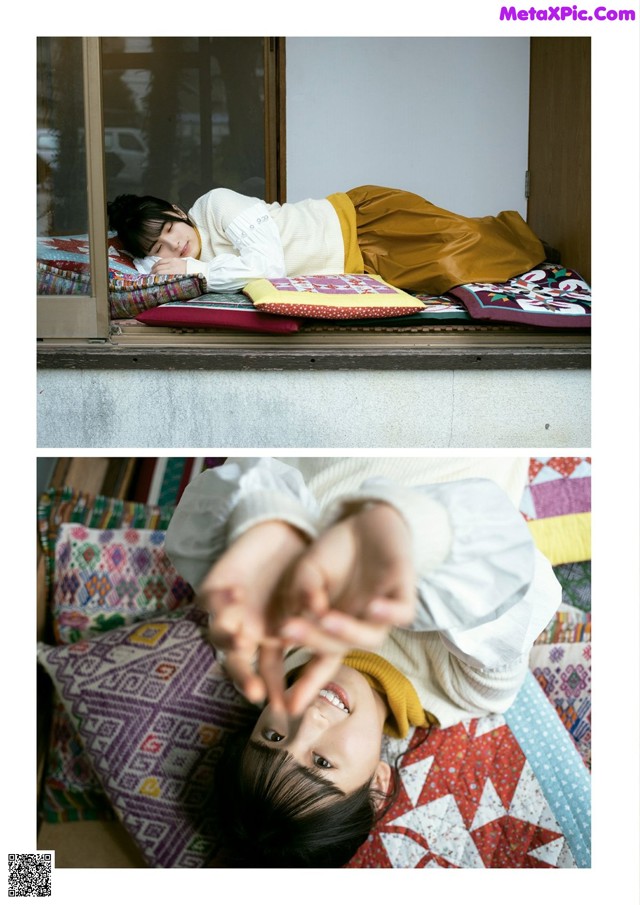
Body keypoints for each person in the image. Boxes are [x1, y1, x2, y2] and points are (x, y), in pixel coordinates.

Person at [164, 457, 561, 868]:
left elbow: (222, 498)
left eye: (273, 738)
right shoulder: (467, 689)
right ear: (376, 784)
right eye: (321, 762)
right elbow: (509, 573)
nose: (309, 718)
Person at [107, 185, 546, 296]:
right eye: (157, 249)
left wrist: (195, 269)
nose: (173, 248)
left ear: (177, 213)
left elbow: (269, 267)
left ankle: (531, 241)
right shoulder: (173, 257)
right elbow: (144, 273)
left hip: (361, 222)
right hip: (359, 264)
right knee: (453, 274)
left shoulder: (217, 205)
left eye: (169, 231)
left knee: (466, 241)